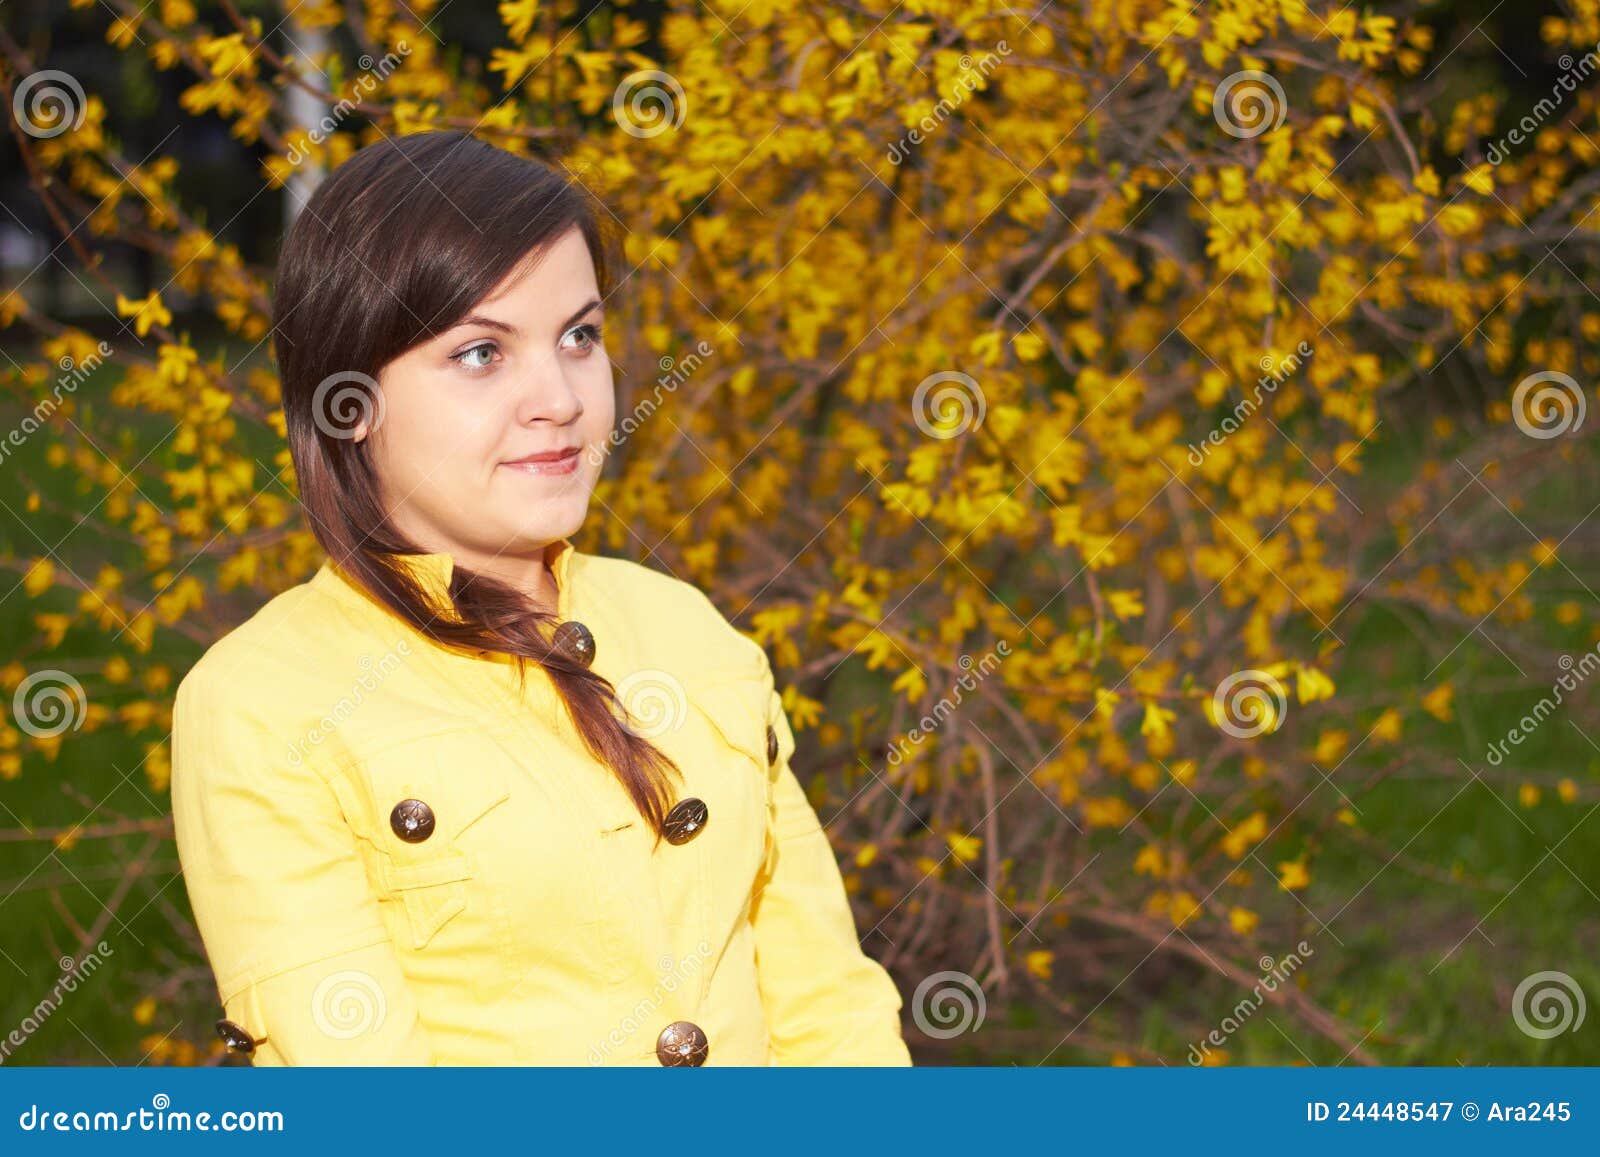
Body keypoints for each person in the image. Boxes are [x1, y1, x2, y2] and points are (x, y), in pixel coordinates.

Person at [169, 130, 912, 1066]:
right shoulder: (262, 704)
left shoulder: (690, 627)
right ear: (349, 401)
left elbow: (830, 1010)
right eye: (481, 352)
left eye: (580, 336)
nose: (558, 397)